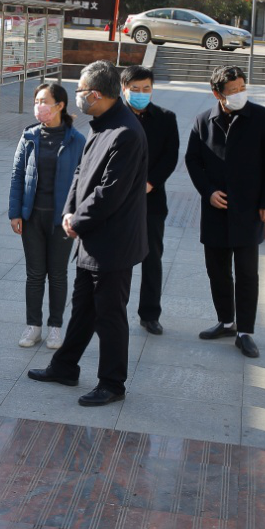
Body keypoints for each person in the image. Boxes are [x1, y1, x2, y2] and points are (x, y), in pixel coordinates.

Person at [27, 60, 149, 407]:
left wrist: (77, 221)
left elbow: (110, 192)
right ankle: (65, 366)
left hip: (113, 242)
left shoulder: (125, 132)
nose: (78, 96)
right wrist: (69, 212)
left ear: (95, 94)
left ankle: (112, 383)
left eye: (80, 91)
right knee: (83, 307)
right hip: (90, 236)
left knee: (110, 314)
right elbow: (81, 173)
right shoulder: (102, 124)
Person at [185, 65, 265, 358]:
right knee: (217, 271)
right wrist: (208, 192)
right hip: (215, 210)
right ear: (217, 94)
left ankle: (245, 332)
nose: (239, 94)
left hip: (249, 209)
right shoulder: (203, 121)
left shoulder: (261, 117)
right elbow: (192, 161)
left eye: (242, 88)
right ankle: (226, 322)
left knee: (247, 273)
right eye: (232, 90)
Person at [8, 83, 85, 350]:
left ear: (60, 105)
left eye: (44, 101)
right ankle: (33, 326)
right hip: (32, 218)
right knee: (34, 274)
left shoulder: (77, 140)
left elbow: (83, 181)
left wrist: (77, 216)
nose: (39, 106)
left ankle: (55, 327)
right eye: (36, 101)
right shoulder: (29, 136)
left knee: (58, 274)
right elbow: (17, 175)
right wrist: (15, 213)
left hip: (61, 220)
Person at [120, 65, 179, 336]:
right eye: (135, 89)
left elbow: (170, 156)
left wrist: (150, 183)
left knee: (152, 258)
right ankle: (115, 310)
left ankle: (150, 314)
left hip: (151, 200)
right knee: (119, 260)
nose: (141, 93)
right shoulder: (113, 117)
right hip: (118, 201)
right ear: (124, 89)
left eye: (146, 88)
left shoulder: (166, 118)